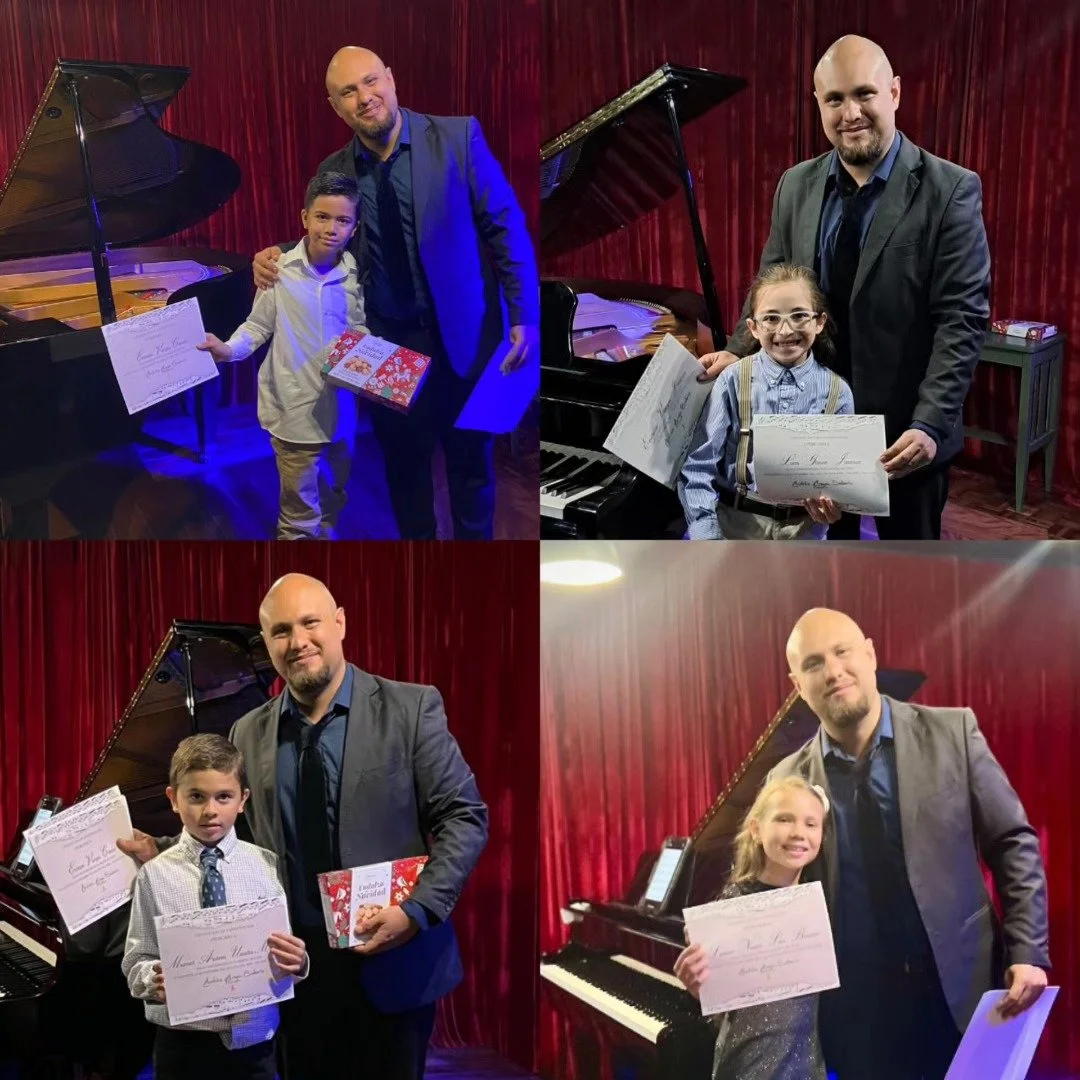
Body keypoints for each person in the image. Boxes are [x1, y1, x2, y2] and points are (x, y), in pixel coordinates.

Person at [121, 572, 489, 1080]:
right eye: (281, 631)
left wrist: (417, 910)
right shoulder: (246, 732)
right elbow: (241, 837)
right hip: (289, 968)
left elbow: (464, 817)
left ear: (339, 623)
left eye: (310, 623)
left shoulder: (412, 707)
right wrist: (162, 848)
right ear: (267, 644)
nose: (298, 642)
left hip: (393, 958)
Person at [698, 36, 991, 540]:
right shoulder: (796, 185)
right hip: (814, 424)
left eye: (864, 94)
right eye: (834, 99)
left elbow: (960, 321)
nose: (850, 112)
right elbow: (772, 282)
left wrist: (930, 422)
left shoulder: (951, 190)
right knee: (827, 567)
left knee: (910, 582)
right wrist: (735, 352)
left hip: (905, 434)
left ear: (894, 93)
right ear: (818, 105)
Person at [252, 47, 540, 541]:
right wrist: (274, 254)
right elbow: (328, 237)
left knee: (472, 473)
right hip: (384, 347)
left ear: (391, 78)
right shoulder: (336, 169)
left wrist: (525, 314)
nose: (365, 98)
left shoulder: (457, 136)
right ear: (335, 105)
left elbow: (505, 227)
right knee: (405, 476)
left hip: (466, 341)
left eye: (370, 82)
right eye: (349, 91)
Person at [770, 607, 1049, 1080]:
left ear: (870, 654)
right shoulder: (785, 780)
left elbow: (1012, 842)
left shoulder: (954, 731)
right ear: (797, 683)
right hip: (857, 1020)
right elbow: (772, 897)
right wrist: (721, 962)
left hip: (964, 991)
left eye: (842, 652)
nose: (834, 671)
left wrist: (1027, 952)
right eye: (814, 663)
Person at [121, 734, 309, 1080]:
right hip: (184, 1045)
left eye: (224, 796)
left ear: (242, 800)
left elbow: (287, 948)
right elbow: (136, 961)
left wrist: (299, 962)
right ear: (173, 799)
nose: (210, 810)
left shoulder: (267, 866)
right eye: (196, 796)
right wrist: (152, 979)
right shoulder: (153, 875)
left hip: (256, 1041)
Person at [198, 171, 365, 540]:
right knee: (298, 516)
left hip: (341, 414)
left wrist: (373, 363)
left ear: (354, 228)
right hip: (294, 414)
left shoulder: (354, 275)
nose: (331, 228)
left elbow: (359, 330)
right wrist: (226, 350)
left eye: (342, 220)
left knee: (334, 494)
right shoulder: (279, 271)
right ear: (304, 218)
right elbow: (256, 328)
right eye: (322, 217)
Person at [679, 263, 852, 539]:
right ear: (753, 327)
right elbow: (698, 465)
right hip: (734, 526)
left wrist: (835, 505)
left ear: (819, 322)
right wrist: (706, 532)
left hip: (804, 531)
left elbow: (841, 479)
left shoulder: (838, 392)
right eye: (771, 318)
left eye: (799, 316)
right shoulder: (733, 380)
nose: (785, 331)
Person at [673, 776, 830, 1080]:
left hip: (806, 1068)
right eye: (784, 819)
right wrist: (697, 990)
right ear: (756, 830)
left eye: (811, 824)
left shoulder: (816, 902)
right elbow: (716, 1010)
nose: (799, 833)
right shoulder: (731, 906)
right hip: (747, 1068)